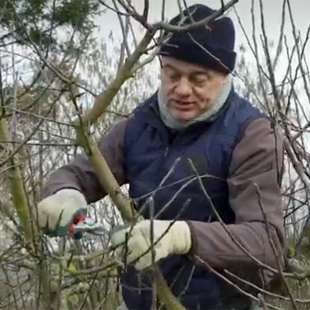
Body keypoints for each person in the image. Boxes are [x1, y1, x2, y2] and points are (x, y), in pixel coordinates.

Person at [37, 3, 285, 310]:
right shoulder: (140, 124)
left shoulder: (251, 134)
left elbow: (267, 241)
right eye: (172, 74)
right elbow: (81, 171)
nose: (181, 89)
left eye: (198, 78)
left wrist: (183, 236)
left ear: (224, 77)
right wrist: (63, 192)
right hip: (139, 301)